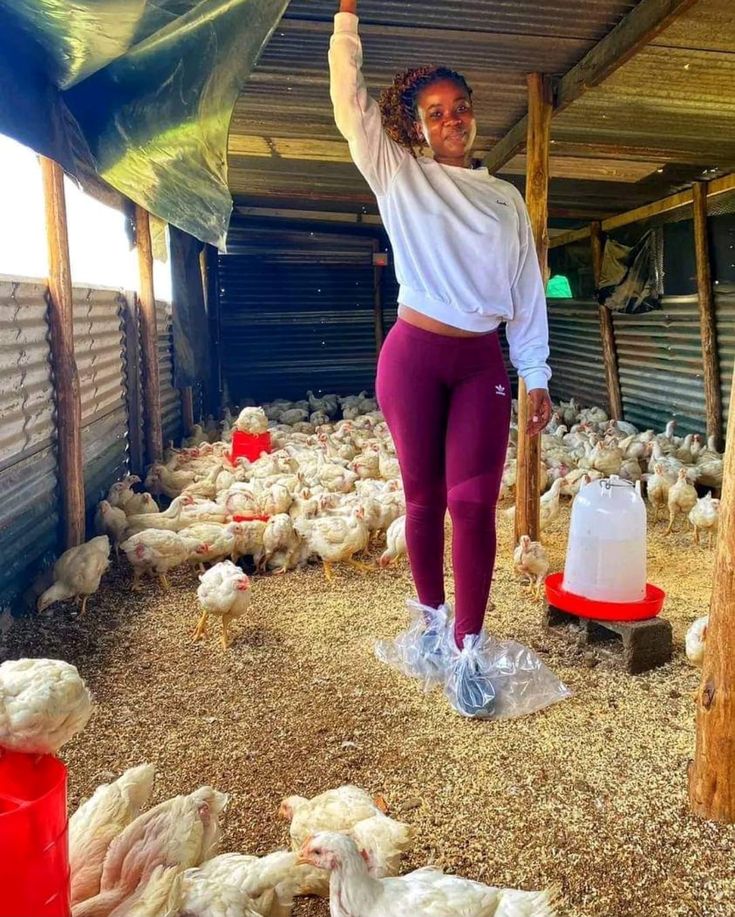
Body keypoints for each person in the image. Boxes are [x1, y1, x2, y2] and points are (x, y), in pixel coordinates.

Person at [329, 0, 553, 717]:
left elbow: (523, 293)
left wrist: (535, 373)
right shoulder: (398, 174)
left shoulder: (504, 201)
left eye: (459, 107)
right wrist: (344, 23)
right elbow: (348, 102)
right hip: (413, 357)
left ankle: (467, 649)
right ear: (416, 125)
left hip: (480, 365)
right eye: (434, 111)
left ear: (471, 115)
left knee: (471, 502)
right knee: (422, 497)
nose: (450, 120)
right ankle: (429, 622)